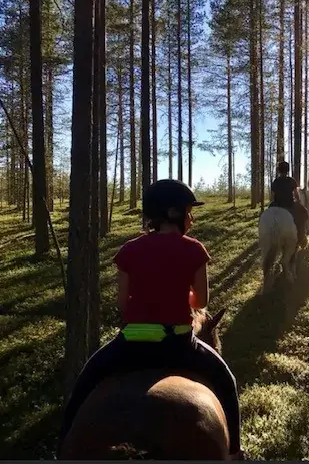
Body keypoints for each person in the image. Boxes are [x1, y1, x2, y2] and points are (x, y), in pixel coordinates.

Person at [58, 179, 243, 460]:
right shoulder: (194, 250)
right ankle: (234, 451)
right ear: (172, 213)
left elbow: (123, 303)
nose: (191, 218)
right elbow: (202, 302)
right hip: (179, 344)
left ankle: (60, 449)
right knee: (227, 382)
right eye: (188, 211)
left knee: (85, 382)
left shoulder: (128, 250)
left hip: (131, 344)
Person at [270, 161, 309, 245]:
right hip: (289, 204)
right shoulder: (291, 180)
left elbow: (273, 195)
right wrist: (298, 201)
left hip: (277, 205)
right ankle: (303, 235)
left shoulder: (275, 181)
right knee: (304, 212)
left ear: (279, 170)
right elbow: (296, 194)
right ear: (287, 170)